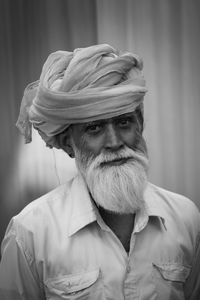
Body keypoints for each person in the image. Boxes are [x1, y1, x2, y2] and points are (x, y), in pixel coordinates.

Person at [0, 44, 199, 300]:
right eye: (94, 128)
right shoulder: (31, 233)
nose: (114, 141)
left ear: (140, 125)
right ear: (68, 143)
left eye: (124, 122)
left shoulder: (186, 218)